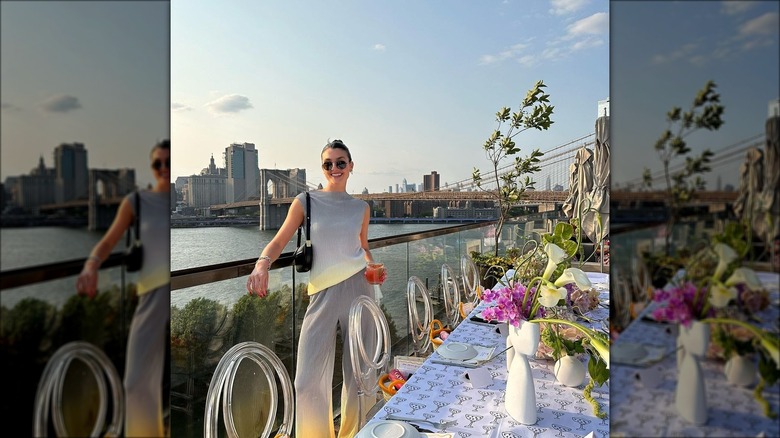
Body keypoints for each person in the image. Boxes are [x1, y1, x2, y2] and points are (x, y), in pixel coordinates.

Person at [246, 139, 384, 437]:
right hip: (322, 292)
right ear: (322, 168)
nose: (334, 168)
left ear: (351, 166)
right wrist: (262, 264)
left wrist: (373, 266)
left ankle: (355, 432)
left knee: (361, 370)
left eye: (340, 162)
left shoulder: (362, 207)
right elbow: (280, 239)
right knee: (306, 380)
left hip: (360, 288)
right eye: (328, 164)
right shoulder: (305, 201)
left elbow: (362, 247)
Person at [76, 140, 170, 437]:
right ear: (151, 167)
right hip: (152, 296)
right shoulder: (137, 201)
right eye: (158, 164)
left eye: (169, 162)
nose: (164, 168)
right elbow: (108, 241)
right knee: (136, 381)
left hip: (179, 288)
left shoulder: (183, 197)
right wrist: (92, 264)